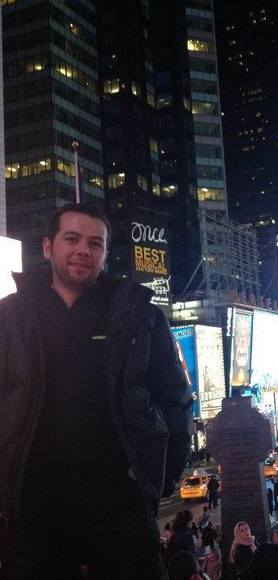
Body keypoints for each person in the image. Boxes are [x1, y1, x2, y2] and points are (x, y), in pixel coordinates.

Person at [0, 204, 193, 580]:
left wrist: (161, 479)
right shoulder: (10, 317)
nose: (83, 251)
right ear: (47, 247)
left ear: (105, 253)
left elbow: (175, 400)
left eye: (95, 243)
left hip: (119, 502)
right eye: (72, 239)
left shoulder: (139, 316)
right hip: (34, 505)